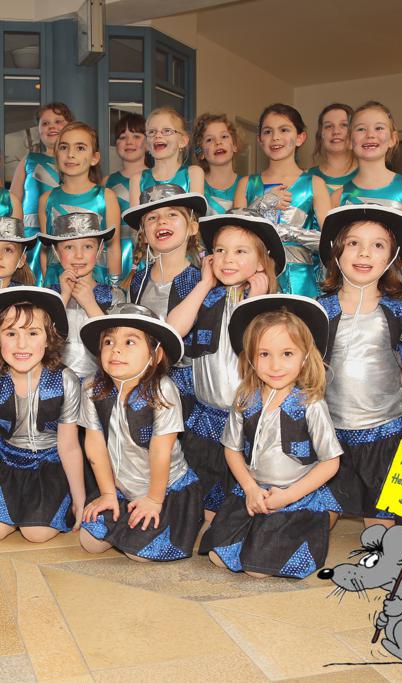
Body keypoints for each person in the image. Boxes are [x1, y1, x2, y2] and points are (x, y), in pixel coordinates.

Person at [199, 295, 342, 578]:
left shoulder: (310, 404)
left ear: (305, 358)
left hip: (296, 495)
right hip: (255, 491)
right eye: (264, 354)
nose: (275, 365)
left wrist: (288, 496)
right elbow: (231, 450)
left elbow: (330, 463)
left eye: (287, 354)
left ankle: (315, 523)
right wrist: (250, 489)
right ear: (250, 358)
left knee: (258, 569)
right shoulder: (245, 398)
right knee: (218, 555)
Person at [166, 211, 283, 514]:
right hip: (205, 418)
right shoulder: (204, 296)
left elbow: (257, 350)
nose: (228, 259)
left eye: (240, 251)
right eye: (220, 250)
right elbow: (173, 329)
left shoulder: (269, 304)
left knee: (243, 502)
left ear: (261, 263)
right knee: (202, 502)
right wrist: (204, 284)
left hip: (249, 421)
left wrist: (253, 302)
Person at [0, 287, 86, 542]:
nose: (21, 344)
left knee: (36, 533)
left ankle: (43, 507)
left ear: (49, 338)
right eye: (11, 333)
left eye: (33, 333)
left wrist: (79, 497)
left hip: (49, 465)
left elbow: (69, 446)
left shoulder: (66, 381)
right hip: (6, 463)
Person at [78, 303, 203, 561]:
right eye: (109, 342)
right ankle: (122, 513)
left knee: (140, 553)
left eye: (130, 342)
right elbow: (95, 445)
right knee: (90, 542)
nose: (117, 349)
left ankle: (184, 519)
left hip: (163, 488)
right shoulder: (92, 387)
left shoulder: (162, 390)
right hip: (122, 485)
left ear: (155, 355)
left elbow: (160, 450)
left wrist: (154, 500)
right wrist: (108, 494)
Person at [316, 204, 402, 526]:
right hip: (329, 440)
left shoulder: (401, 312)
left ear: (391, 257)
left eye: (378, 245)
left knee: (382, 538)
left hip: (386, 438)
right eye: (354, 243)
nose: (364, 253)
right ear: (336, 251)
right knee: (312, 526)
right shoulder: (318, 311)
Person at [122, 184, 209, 419]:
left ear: (192, 227)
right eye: (152, 218)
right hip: (141, 388)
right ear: (143, 233)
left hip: (185, 395)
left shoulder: (201, 280)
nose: (162, 221)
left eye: (172, 214)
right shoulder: (138, 280)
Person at [332, 101, 402, 296]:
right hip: (354, 292)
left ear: (393, 139)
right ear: (349, 141)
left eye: (379, 128)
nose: (370, 135)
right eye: (361, 129)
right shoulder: (338, 196)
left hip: (401, 289)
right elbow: (334, 253)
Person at [233, 103, 329, 298]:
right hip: (256, 278)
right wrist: (259, 205)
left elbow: (330, 242)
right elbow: (234, 236)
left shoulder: (314, 184)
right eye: (268, 131)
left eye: (284, 130)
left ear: (300, 137)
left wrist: (287, 232)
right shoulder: (247, 184)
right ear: (260, 139)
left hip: (301, 281)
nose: (275, 137)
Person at [40, 212, 125, 382]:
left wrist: (90, 304)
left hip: (100, 383)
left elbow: (118, 343)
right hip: (55, 384)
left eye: (87, 246)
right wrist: (63, 297)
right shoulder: (47, 296)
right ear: (56, 251)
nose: (79, 255)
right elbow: (40, 340)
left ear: (100, 249)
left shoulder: (114, 296)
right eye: (69, 247)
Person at [38, 121, 121, 286]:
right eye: (64, 147)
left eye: (80, 148)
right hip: (58, 285)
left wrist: (114, 287)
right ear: (56, 155)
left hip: (95, 287)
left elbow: (113, 247)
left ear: (94, 158)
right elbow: (46, 249)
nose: (70, 154)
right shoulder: (46, 199)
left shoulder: (106, 197)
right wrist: (50, 286)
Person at [11, 102, 74, 278]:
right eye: (45, 123)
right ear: (38, 130)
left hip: (67, 238)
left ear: (70, 126)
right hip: (32, 238)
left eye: (58, 121)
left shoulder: (75, 163)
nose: (52, 126)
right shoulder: (29, 160)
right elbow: (13, 200)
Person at [128, 107, 205, 206]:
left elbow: (195, 213)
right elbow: (136, 215)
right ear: (147, 143)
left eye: (167, 131)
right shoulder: (137, 179)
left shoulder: (193, 173)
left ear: (183, 141)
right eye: (152, 132)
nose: (158, 135)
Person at [103, 113, 147, 278]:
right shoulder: (107, 181)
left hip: (148, 251)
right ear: (116, 144)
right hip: (115, 253)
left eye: (136, 136)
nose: (129, 142)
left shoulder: (155, 178)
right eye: (122, 137)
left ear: (148, 143)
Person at [194, 113, 242, 215]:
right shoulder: (195, 186)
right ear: (201, 153)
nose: (218, 142)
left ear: (235, 145)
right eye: (209, 140)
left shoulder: (247, 186)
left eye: (224, 136)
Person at [307, 103, 358, 194]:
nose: (336, 131)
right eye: (329, 126)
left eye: (344, 125)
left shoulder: (368, 176)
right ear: (320, 135)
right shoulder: (306, 178)